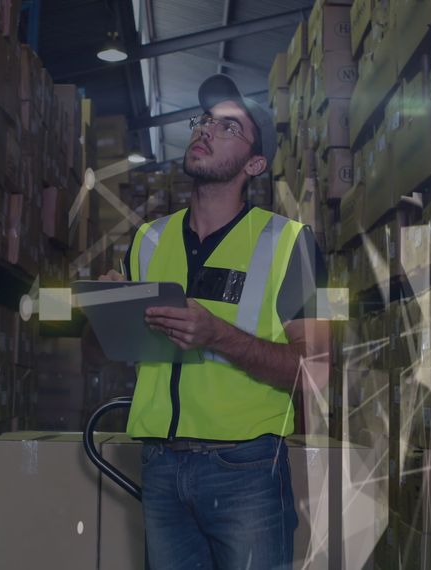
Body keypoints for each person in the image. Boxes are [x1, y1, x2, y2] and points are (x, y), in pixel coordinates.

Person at [99, 74, 330, 569]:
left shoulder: (291, 244)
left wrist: (219, 336)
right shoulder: (146, 242)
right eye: (205, 120)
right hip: (160, 464)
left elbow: (316, 373)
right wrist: (104, 310)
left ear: (255, 163)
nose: (206, 130)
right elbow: (113, 353)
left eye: (228, 126)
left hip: (244, 469)